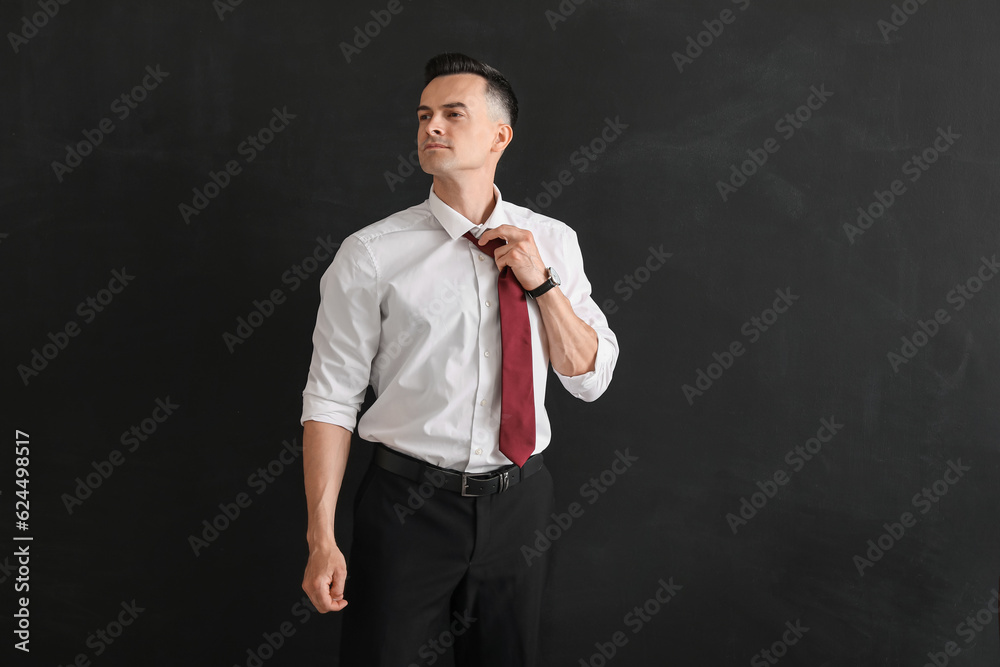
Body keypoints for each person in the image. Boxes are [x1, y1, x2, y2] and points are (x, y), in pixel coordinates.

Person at [299, 52, 619, 666]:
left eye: (452, 113)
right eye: (423, 116)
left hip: (521, 503)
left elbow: (590, 379)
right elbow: (330, 399)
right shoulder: (371, 254)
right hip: (406, 507)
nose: (431, 128)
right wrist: (321, 536)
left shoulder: (553, 241)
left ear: (501, 135)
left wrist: (542, 284)